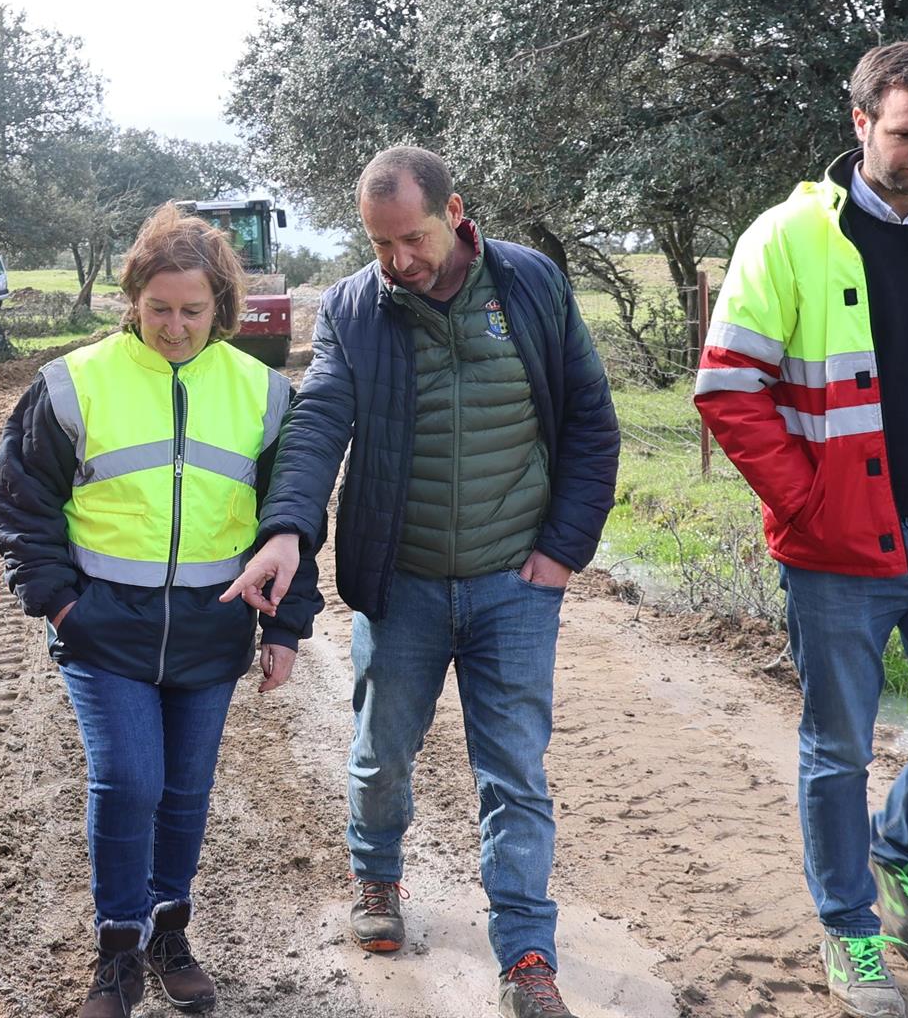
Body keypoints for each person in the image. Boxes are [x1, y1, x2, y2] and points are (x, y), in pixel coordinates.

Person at [224, 146, 618, 1018]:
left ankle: (526, 956)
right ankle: (376, 876)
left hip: (515, 581)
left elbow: (591, 418)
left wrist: (563, 550)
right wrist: (286, 528)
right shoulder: (355, 310)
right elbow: (318, 421)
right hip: (400, 584)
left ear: (456, 212)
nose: (399, 260)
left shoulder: (530, 285)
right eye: (380, 244)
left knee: (514, 772)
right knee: (381, 756)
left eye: (413, 239)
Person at [696, 39, 908, 1018]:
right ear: (860, 123)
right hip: (839, 546)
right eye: (903, 134)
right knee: (838, 747)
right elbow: (727, 386)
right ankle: (849, 927)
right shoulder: (786, 238)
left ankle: (901, 848)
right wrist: (806, 503)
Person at [0, 203, 319, 1018]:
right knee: (130, 782)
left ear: (221, 307)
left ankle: (170, 932)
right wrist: (62, 606)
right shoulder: (73, 383)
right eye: (159, 308)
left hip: (213, 629)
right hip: (104, 632)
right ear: (132, 299)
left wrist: (284, 625)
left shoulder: (264, 393)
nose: (174, 327)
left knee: (186, 790)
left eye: (192, 311)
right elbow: (21, 503)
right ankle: (118, 949)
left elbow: (294, 519)